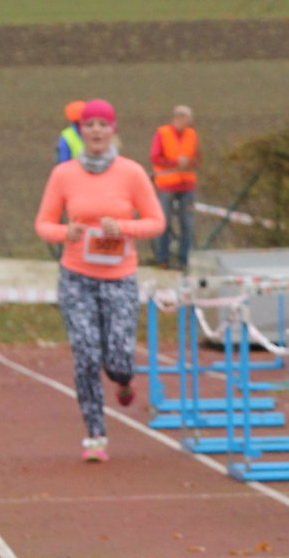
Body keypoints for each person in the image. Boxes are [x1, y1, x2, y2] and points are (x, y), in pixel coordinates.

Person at [34, 100, 164, 461]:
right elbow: (44, 224)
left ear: (112, 130)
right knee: (86, 354)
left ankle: (124, 380)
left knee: (118, 359)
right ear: (81, 131)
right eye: (88, 125)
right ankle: (95, 435)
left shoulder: (131, 173)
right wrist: (67, 232)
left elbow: (156, 222)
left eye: (102, 125)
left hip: (119, 277)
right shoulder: (64, 174)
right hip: (76, 277)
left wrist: (122, 227)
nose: (95, 131)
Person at [151, 105, 200, 271]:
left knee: (187, 224)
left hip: (187, 185)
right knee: (163, 223)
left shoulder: (192, 134)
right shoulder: (162, 133)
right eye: (188, 117)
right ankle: (162, 259)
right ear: (179, 117)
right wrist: (175, 163)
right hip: (167, 184)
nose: (191, 121)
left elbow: (198, 157)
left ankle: (183, 261)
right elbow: (155, 157)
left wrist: (190, 162)